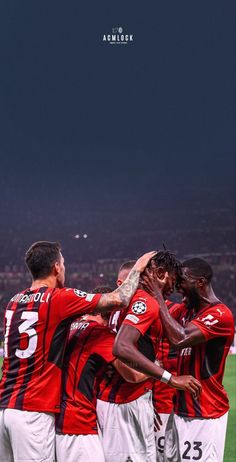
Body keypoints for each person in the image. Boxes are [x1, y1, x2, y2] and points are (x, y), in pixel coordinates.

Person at [0, 241, 155, 462]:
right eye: (63, 263)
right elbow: (119, 299)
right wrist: (138, 268)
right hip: (33, 412)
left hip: (5, 407)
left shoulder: (13, 302)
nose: (65, 268)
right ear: (56, 267)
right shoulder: (59, 298)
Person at [98, 251, 201, 462]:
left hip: (124, 399)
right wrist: (169, 378)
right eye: (172, 280)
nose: (173, 287)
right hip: (124, 403)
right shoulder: (144, 301)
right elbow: (122, 347)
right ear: (160, 274)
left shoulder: (124, 300)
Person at [145, 257, 234, 462]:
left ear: (200, 282)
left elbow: (179, 338)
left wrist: (157, 295)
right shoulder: (186, 311)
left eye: (182, 281)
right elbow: (161, 309)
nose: (178, 287)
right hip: (180, 411)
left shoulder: (220, 314)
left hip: (204, 413)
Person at [56, 286, 147, 462]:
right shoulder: (99, 333)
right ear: (110, 313)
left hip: (58, 416)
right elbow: (133, 375)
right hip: (78, 423)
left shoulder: (71, 326)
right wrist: (157, 366)